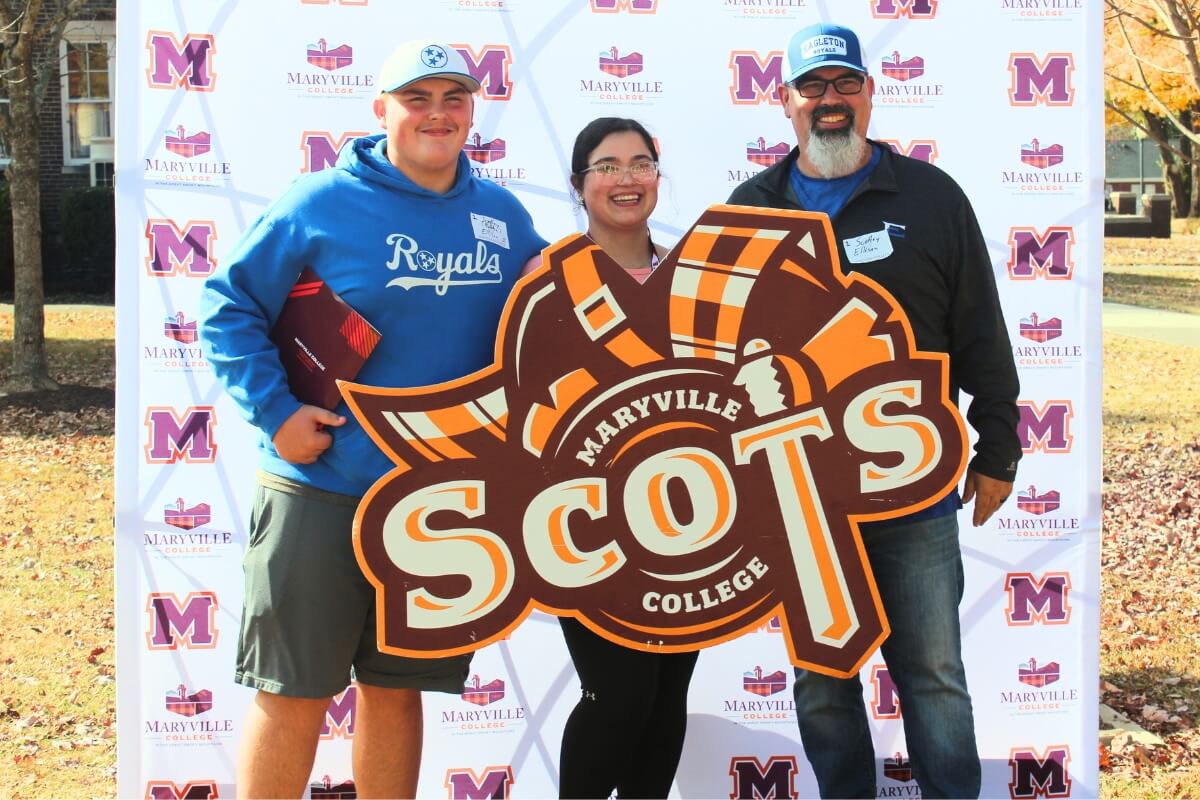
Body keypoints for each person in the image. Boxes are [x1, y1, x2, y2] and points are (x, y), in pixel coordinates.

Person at [200, 40, 547, 798]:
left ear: (473, 112)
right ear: (381, 109)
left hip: (436, 503)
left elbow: (553, 302)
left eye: (453, 98)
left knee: (397, 693)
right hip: (321, 487)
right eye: (417, 98)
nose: (436, 114)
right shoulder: (319, 202)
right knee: (293, 692)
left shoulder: (500, 214)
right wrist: (277, 413)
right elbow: (228, 306)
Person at [728, 22, 1021, 800]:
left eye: (845, 83)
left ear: (869, 92)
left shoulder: (931, 197)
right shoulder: (748, 210)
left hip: (912, 486)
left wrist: (999, 448)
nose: (830, 100)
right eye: (812, 86)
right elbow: (723, 356)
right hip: (800, 496)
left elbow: (980, 330)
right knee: (822, 681)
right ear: (784, 100)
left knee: (932, 673)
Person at [552, 117, 697, 800]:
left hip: (695, 516)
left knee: (666, 695)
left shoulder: (695, 278)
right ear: (578, 184)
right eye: (606, 167)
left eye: (640, 163)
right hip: (586, 524)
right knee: (619, 695)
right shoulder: (546, 279)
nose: (626, 179)